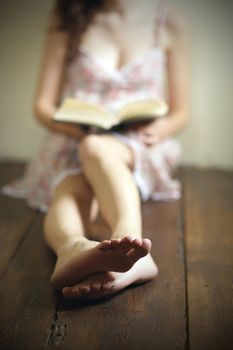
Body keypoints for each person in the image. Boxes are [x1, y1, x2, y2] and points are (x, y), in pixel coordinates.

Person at [2, 0, 190, 300]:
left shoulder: (167, 19)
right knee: (71, 185)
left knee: (98, 150)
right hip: (74, 136)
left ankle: (130, 245)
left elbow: (181, 111)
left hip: (137, 142)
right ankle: (73, 248)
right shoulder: (68, 14)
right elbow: (42, 106)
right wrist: (78, 129)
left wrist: (160, 129)